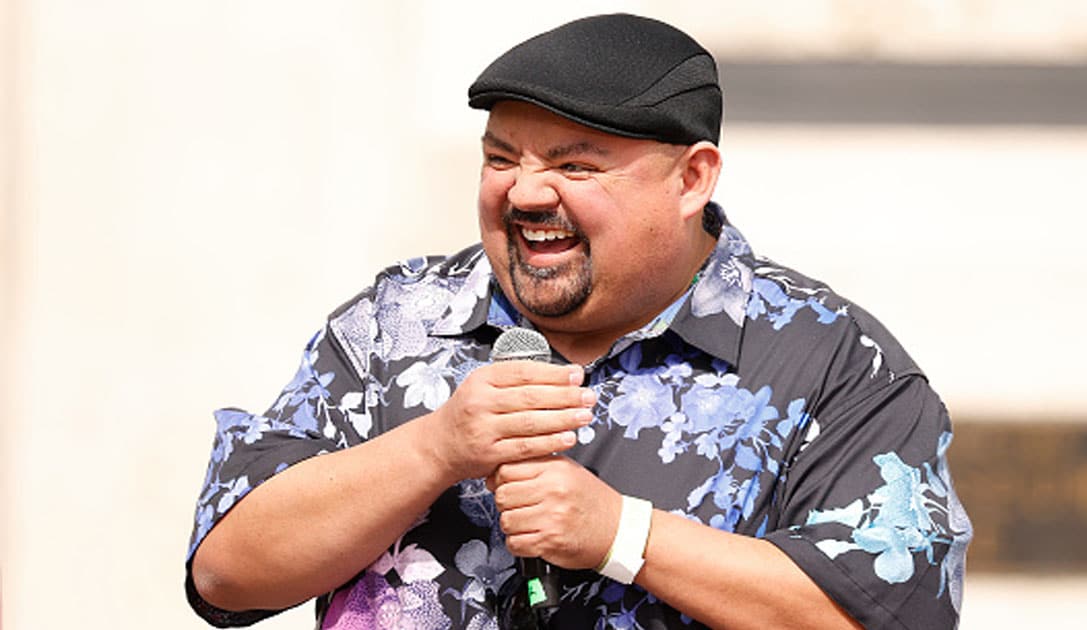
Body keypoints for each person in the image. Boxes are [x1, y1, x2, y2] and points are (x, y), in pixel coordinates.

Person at [186, 13, 972, 630]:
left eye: (573, 165)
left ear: (692, 177)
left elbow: (891, 613)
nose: (526, 194)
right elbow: (227, 569)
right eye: (501, 159)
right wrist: (435, 448)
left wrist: (622, 536)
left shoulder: (829, 360)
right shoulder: (394, 325)